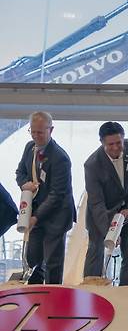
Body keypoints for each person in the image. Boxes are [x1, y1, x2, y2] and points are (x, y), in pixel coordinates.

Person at [83, 122, 128, 285]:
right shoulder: (92, 165)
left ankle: (126, 292)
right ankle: (92, 289)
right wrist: (109, 231)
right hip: (102, 213)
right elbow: (96, 202)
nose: (116, 147)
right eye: (110, 144)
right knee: (96, 252)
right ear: (102, 143)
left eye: (119, 142)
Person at [15, 111, 75, 284]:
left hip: (56, 216)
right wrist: (24, 184)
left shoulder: (60, 158)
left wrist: (36, 217)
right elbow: (20, 172)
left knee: (52, 263)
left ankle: (54, 300)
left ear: (51, 130)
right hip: (36, 214)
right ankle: (34, 297)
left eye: (40, 132)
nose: (35, 136)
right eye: (32, 131)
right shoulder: (29, 147)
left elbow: (57, 195)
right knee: (32, 259)